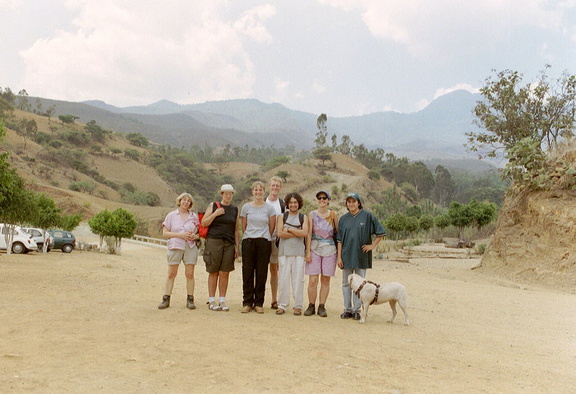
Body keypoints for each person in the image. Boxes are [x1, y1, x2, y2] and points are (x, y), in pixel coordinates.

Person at [337, 192, 386, 320]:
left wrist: (372, 246)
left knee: (360, 285)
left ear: (359, 203)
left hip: (361, 256)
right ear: (346, 204)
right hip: (346, 256)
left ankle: (356, 310)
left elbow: (380, 233)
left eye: (354, 201)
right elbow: (339, 240)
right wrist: (339, 257)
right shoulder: (343, 219)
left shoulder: (367, 216)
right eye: (349, 202)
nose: (351, 204)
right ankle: (347, 309)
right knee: (346, 283)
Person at [158, 192, 201, 310]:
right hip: (176, 245)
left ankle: (190, 299)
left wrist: (195, 237)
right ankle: (166, 299)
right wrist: (180, 235)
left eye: (188, 201)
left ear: (190, 204)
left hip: (190, 247)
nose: (186, 202)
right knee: (171, 274)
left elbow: (199, 233)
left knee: (190, 274)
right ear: (179, 201)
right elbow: (165, 233)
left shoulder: (194, 217)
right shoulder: (171, 216)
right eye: (184, 200)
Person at [201, 184, 239, 312]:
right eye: (226, 193)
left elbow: (236, 230)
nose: (228, 196)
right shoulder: (213, 205)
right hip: (214, 240)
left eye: (230, 194)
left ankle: (222, 300)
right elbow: (204, 223)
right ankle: (212, 300)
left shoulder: (234, 209)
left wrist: (237, 246)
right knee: (213, 271)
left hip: (229, 243)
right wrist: (215, 214)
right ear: (221, 194)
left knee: (225, 272)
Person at [240, 181, 276, 313]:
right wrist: (251, 235)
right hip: (249, 241)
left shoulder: (269, 208)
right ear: (252, 191)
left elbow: (272, 227)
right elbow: (244, 226)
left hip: (264, 241)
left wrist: (264, 236)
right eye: (256, 190)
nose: (258, 192)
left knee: (261, 272)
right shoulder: (246, 208)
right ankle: (247, 302)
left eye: (260, 190)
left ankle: (259, 303)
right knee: (247, 271)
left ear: (264, 191)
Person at [303, 190, 338, 317]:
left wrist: (339, 254)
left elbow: (337, 233)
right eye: (319, 198)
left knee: (325, 279)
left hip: (330, 249)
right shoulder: (312, 214)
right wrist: (307, 252)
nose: (322, 200)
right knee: (313, 280)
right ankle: (311, 305)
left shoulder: (333, 215)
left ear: (328, 200)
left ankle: (322, 306)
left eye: (324, 198)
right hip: (314, 248)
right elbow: (308, 233)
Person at [275, 192, 309, 316]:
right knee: (283, 279)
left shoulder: (303, 217)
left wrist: (288, 229)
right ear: (287, 204)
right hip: (284, 252)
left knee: (298, 280)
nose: (293, 205)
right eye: (291, 202)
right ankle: (282, 305)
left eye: (295, 202)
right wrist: (296, 232)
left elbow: (304, 233)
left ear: (299, 203)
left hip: (298, 253)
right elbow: (279, 233)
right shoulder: (282, 217)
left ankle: (298, 306)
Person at [266, 176, 284, 309]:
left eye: (277, 186)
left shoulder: (282, 204)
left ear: (280, 188)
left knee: (274, 269)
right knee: (259, 269)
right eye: (273, 185)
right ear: (269, 186)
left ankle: (274, 299)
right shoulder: (262, 202)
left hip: (277, 240)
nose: (275, 188)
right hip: (262, 239)